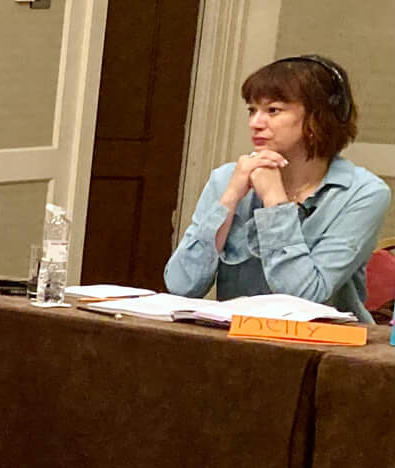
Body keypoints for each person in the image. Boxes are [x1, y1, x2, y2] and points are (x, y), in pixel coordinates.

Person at [165, 55, 388, 324]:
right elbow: (180, 285)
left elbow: (302, 298)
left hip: (325, 352)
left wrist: (274, 201)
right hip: (236, 344)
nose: (255, 123)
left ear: (319, 118)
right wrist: (230, 197)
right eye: (252, 110)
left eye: (273, 111)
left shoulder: (363, 193)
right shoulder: (227, 179)